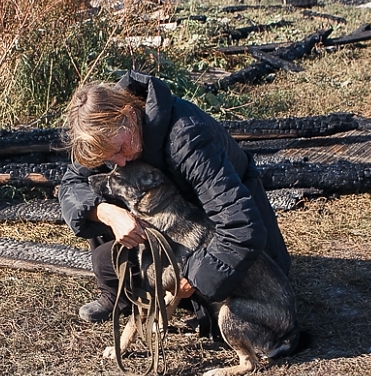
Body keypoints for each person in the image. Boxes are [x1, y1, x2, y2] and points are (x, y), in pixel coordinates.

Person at [58, 70, 292, 324]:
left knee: (229, 311)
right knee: (103, 194)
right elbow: (72, 185)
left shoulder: (187, 137)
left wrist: (195, 278)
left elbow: (240, 226)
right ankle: (120, 294)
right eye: (108, 158)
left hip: (228, 231)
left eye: (120, 149)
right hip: (178, 231)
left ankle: (191, 297)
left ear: (129, 114)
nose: (120, 161)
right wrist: (106, 212)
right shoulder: (107, 135)